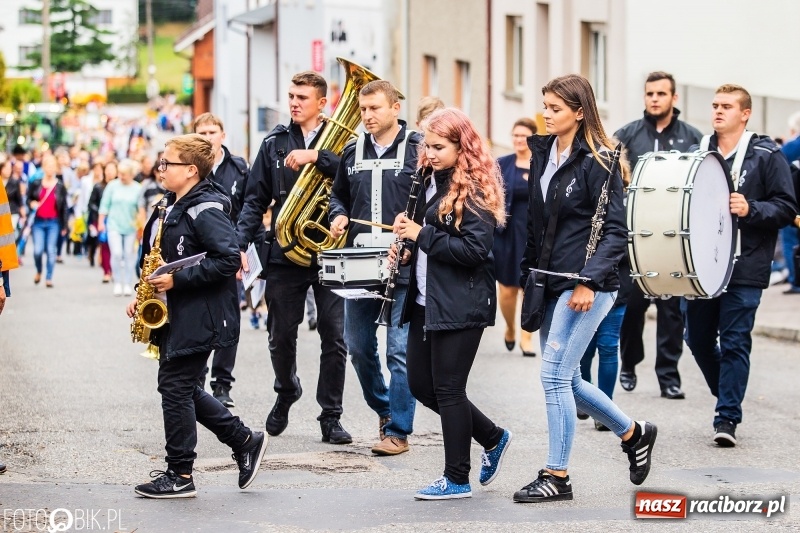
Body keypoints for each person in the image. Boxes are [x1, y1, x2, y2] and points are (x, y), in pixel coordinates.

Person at [516, 75, 657, 503]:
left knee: (554, 376)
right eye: (545, 106)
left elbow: (616, 232)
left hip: (584, 286)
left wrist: (589, 281)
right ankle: (634, 434)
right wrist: (529, 275)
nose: (547, 114)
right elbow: (537, 224)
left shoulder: (601, 159)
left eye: (556, 108)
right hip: (548, 280)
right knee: (569, 380)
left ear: (580, 112)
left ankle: (557, 475)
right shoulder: (543, 152)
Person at [127, 134, 267, 498]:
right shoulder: (169, 203)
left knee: (174, 387)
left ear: (190, 170)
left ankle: (181, 474)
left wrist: (177, 280)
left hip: (201, 314)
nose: (160, 168)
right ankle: (244, 441)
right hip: (179, 310)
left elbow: (226, 260)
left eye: (167, 163)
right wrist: (142, 293)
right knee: (182, 386)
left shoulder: (206, 208)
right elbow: (158, 256)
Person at [392, 107, 511, 499]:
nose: (429, 152)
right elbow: (432, 242)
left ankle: (457, 478)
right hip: (428, 299)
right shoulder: (430, 179)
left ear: (463, 146)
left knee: (448, 389)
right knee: (421, 386)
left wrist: (421, 235)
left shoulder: (474, 186)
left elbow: (475, 250)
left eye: (439, 146)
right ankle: (493, 437)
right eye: (427, 144)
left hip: (462, 302)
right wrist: (408, 252)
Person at [237, 71, 351, 444]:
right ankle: (286, 390)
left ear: (322, 103)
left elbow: (354, 177)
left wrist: (317, 156)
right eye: (291, 96)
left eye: (302, 97)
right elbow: (255, 199)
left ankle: (330, 416)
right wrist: (240, 244)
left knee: (334, 337)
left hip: (331, 251)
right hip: (286, 251)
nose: (294, 103)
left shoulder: (343, 142)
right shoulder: (273, 143)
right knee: (280, 335)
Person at [683, 84, 796, 448]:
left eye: (726, 106)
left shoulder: (766, 154)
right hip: (702, 265)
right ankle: (727, 394)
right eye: (715, 105)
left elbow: (787, 207)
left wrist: (751, 209)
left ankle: (727, 416)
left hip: (746, 266)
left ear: (745, 113)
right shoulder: (699, 152)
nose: (718, 111)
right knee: (697, 339)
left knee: (734, 342)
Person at [329, 80, 420, 455]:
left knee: (398, 350)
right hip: (360, 264)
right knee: (359, 346)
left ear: (395, 107)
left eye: (375, 109)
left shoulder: (418, 150)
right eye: (363, 109)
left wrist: (418, 239)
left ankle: (398, 431)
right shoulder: (351, 151)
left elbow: (432, 201)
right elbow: (339, 196)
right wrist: (338, 216)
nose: (367, 116)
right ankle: (384, 408)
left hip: (404, 264)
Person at [615, 71, 702, 400]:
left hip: (674, 242)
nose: (654, 99)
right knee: (632, 309)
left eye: (661, 94)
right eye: (649, 93)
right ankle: (629, 363)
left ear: (673, 98)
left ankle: (669, 376)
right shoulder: (626, 135)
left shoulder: (692, 138)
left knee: (671, 312)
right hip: (635, 241)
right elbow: (611, 179)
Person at [193, 112, 257, 408]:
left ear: (222, 135)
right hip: (197, 254)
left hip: (229, 252)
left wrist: (241, 247)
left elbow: (249, 209)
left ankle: (222, 384)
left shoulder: (238, 168)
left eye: (212, 132)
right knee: (198, 317)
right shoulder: (190, 169)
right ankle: (197, 378)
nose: (208, 138)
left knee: (228, 319)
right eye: (201, 133)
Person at [494, 118, 538, 357]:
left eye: (524, 135)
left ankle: (526, 336)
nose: (519, 140)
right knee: (508, 290)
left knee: (530, 288)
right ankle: (510, 327)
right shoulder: (501, 165)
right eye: (516, 135)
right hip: (507, 236)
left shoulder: (542, 164)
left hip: (533, 237)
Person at [99, 160, 142, 296]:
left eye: (124, 174)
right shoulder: (112, 186)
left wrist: (141, 227)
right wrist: (101, 222)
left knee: (129, 255)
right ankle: (117, 282)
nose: (121, 176)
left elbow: (140, 208)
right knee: (117, 253)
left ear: (131, 175)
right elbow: (104, 205)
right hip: (114, 225)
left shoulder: (137, 188)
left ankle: (128, 283)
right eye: (120, 173)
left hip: (130, 226)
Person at [26, 154, 68, 288]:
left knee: (51, 250)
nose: (50, 169)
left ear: (56, 168)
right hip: (38, 221)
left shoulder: (60, 186)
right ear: (43, 167)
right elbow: (28, 198)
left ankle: (49, 277)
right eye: (47, 166)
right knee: (37, 250)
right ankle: (39, 270)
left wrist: (64, 225)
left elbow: (64, 207)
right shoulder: (36, 183)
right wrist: (31, 203)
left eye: (52, 166)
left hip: (53, 222)